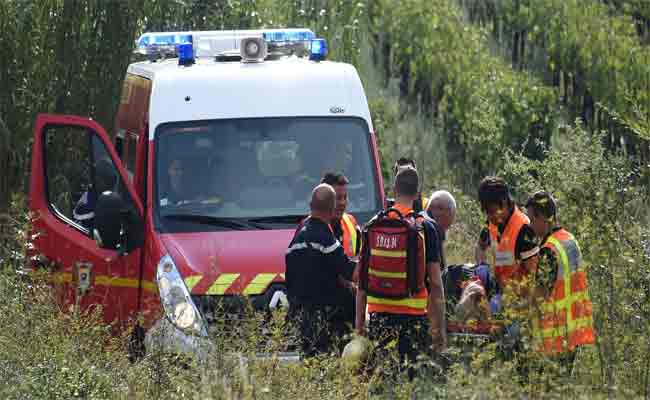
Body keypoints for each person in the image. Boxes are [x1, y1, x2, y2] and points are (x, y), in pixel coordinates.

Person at [356, 167, 446, 380]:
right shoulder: (426, 228)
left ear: (393, 190)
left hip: (379, 318)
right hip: (413, 319)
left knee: (384, 381)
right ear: (417, 194)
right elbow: (435, 282)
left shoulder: (373, 225)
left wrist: (359, 327)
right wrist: (439, 329)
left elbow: (361, 282)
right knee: (411, 382)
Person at [285, 184, 356, 357]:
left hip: (304, 320)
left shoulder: (297, 240)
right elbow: (352, 273)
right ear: (331, 209)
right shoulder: (325, 239)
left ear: (310, 205)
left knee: (311, 365)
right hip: (328, 320)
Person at [525, 191, 595, 368]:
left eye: (532, 220)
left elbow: (539, 299)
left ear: (542, 218)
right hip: (573, 331)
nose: (530, 226)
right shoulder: (570, 239)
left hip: (554, 336)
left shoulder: (549, 250)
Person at [474, 176, 539, 307]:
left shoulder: (524, 230)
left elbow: (536, 276)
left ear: (504, 202)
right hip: (500, 293)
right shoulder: (491, 223)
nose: (489, 217)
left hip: (521, 303)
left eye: (492, 212)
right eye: (486, 212)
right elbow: (480, 246)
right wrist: (481, 265)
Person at [73, 158, 117, 230]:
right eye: (106, 180)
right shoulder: (88, 199)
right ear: (96, 179)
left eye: (111, 180)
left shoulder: (109, 198)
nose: (110, 185)